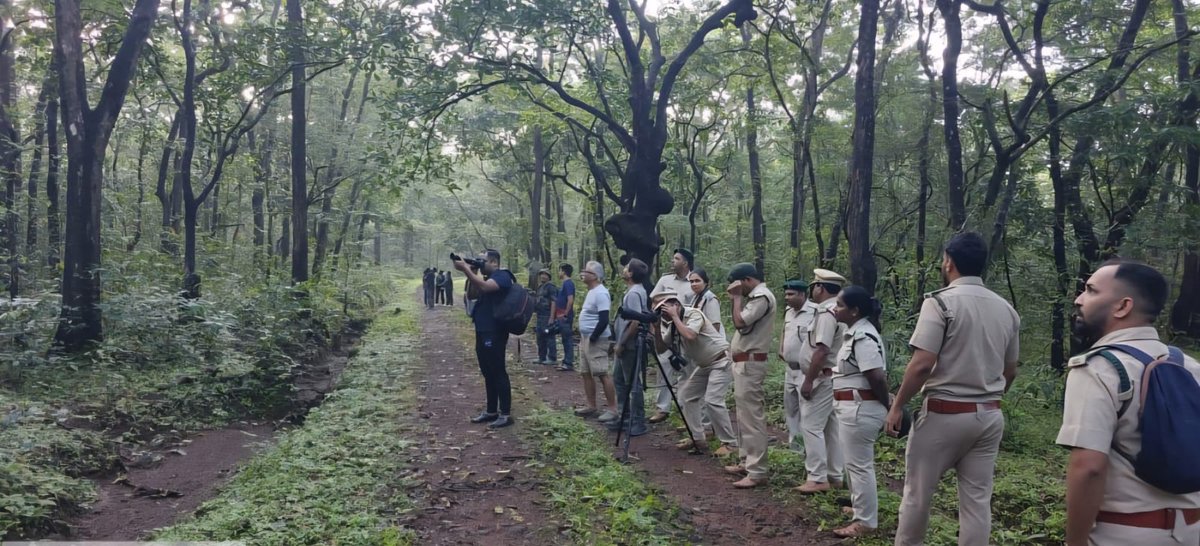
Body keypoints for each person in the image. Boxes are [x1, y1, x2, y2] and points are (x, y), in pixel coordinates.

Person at [887, 232, 1021, 546]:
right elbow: (1010, 370)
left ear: (948, 261)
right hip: (989, 416)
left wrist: (897, 406)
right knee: (976, 501)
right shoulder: (1007, 310)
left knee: (918, 493)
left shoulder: (940, 302)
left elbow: (922, 363)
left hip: (944, 414)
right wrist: (990, 394)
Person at [1056, 260, 1200, 546]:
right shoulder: (1191, 367)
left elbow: (1089, 467)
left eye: (1091, 291)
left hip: (1125, 533)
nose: (1079, 299)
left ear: (1122, 307)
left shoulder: (1099, 368)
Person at [830, 285, 890, 538]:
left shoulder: (863, 337)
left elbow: (875, 376)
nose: (835, 309)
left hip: (860, 408)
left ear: (854, 311)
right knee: (852, 463)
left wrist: (889, 404)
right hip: (851, 406)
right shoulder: (854, 332)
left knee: (859, 465)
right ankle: (859, 507)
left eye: (840, 305)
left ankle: (865, 521)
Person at [652, 288, 737, 454]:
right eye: (659, 311)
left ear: (676, 305)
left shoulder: (694, 314)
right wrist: (656, 328)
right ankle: (698, 438)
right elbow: (661, 349)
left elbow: (690, 335)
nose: (663, 314)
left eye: (664, 309)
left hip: (721, 360)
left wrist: (675, 317)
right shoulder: (673, 325)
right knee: (687, 396)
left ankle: (730, 444)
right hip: (704, 365)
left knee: (712, 400)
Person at [722, 262, 776, 489]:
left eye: (737, 284)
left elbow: (740, 322)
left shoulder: (761, 296)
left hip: (751, 364)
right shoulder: (755, 296)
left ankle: (757, 471)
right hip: (743, 364)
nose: (735, 289)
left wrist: (736, 299)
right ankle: (747, 460)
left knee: (752, 417)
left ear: (745, 280)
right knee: (744, 416)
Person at [794, 269, 847, 494]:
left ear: (821, 288)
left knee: (811, 426)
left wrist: (809, 380)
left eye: (814, 286)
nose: (813, 290)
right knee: (831, 428)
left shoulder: (827, 313)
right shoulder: (839, 310)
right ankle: (834, 475)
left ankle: (817, 477)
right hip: (832, 376)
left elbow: (822, 349)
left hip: (822, 377)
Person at [453, 249, 515, 429]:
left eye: (483, 260)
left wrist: (466, 269)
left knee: (498, 371)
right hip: (482, 330)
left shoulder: (503, 276)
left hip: (495, 332)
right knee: (487, 372)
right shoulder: (485, 278)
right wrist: (472, 270)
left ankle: (505, 413)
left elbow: (487, 288)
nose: (480, 263)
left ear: (494, 262)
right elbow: (473, 294)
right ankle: (491, 410)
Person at [649, 248, 695, 423]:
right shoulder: (665, 279)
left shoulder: (694, 281)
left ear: (686, 262)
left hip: (685, 329)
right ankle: (663, 408)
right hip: (665, 328)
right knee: (663, 366)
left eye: (676, 258)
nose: (672, 261)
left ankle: (685, 409)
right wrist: (655, 326)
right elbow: (653, 300)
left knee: (687, 371)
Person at [610, 259, 652, 436]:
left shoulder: (634, 293)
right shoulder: (633, 291)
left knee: (633, 383)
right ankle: (625, 416)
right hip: (625, 344)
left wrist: (621, 343)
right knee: (619, 379)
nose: (624, 269)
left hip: (630, 346)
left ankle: (638, 420)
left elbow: (635, 321)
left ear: (632, 273)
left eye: (627, 268)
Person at [573, 260, 619, 422]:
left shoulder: (601, 293)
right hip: (586, 339)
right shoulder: (591, 291)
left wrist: (593, 336)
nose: (583, 274)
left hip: (597, 339)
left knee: (602, 373)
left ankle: (613, 409)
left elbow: (604, 319)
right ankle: (591, 406)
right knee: (586, 373)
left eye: (586, 271)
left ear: (595, 276)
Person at [551, 263, 577, 371]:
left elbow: (570, 300)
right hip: (561, 315)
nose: (559, 273)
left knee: (567, 339)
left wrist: (565, 313)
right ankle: (566, 361)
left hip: (565, 316)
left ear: (563, 271)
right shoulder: (565, 284)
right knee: (564, 339)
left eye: (560, 270)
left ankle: (568, 362)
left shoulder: (568, 284)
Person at [534, 269, 558, 365]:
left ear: (549, 276)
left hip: (547, 315)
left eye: (545, 274)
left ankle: (552, 358)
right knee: (540, 337)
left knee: (549, 336)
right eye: (541, 274)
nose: (543, 276)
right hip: (540, 315)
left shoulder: (551, 287)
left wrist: (552, 317)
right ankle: (541, 357)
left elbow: (553, 302)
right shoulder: (540, 287)